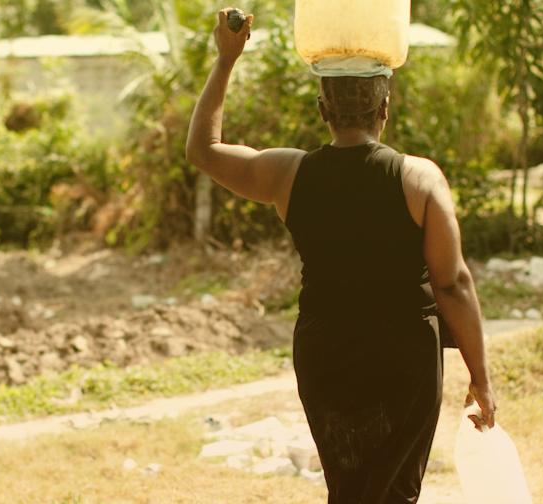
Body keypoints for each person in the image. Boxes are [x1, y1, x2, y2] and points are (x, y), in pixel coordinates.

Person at [185, 8, 497, 504]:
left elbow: (203, 149)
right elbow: (453, 284)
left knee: (349, 489)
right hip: (404, 353)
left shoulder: (289, 175)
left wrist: (226, 60)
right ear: (385, 108)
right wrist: (480, 378)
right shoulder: (420, 180)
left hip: (325, 351)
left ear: (321, 109)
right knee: (393, 492)